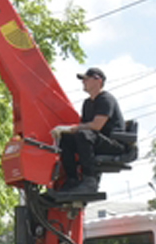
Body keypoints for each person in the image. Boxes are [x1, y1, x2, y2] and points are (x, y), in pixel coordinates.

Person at [52, 67, 122, 201]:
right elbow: (85, 126)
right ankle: (72, 180)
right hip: (95, 140)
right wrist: (65, 131)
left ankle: (89, 181)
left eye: (86, 79)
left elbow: (96, 126)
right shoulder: (87, 103)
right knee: (66, 138)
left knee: (83, 134)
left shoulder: (106, 99)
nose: (83, 82)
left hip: (114, 143)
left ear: (98, 81)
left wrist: (73, 128)